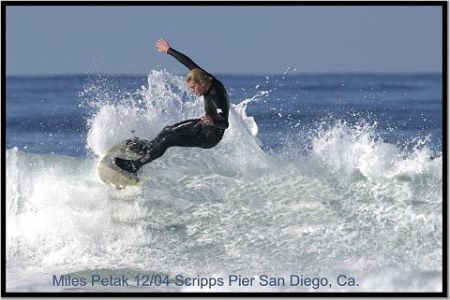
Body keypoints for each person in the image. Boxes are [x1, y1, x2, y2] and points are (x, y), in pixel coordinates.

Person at [114, 39, 230, 174]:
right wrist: (169, 50)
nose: (193, 91)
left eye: (194, 88)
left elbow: (225, 123)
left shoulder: (217, 96)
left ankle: (136, 165)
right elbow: (188, 62)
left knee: (170, 139)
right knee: (168, 130)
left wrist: (212, 121)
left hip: (210, 137)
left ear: (202, 84)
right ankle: (149, 148)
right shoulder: (203, 76)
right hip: (203, 125)